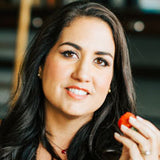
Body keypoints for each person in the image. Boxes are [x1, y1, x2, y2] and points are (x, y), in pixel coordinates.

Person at [0, 1, 160, 160]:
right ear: (41, 64)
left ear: (112, 81)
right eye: (70, 53)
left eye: (100, 61)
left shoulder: (132, 155)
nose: (82, 74)